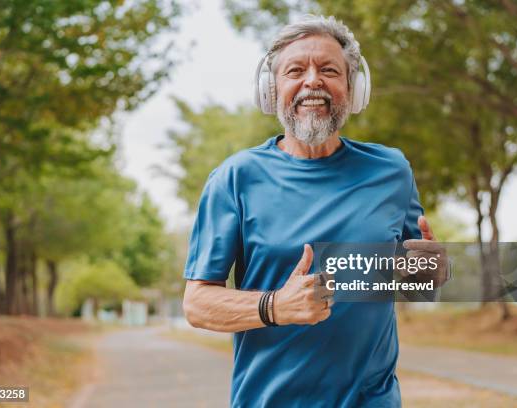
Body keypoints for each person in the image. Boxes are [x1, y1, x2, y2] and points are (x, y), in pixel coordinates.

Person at [182, 15, 449, 407]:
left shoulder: (392, 171)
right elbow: (197, 303)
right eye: (295, 70)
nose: (312, 81)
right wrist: (274, 306)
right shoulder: (236, 178)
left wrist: (432, 273)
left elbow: (410, 280)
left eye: (329, 70)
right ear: (271, 90)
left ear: (353, 88)